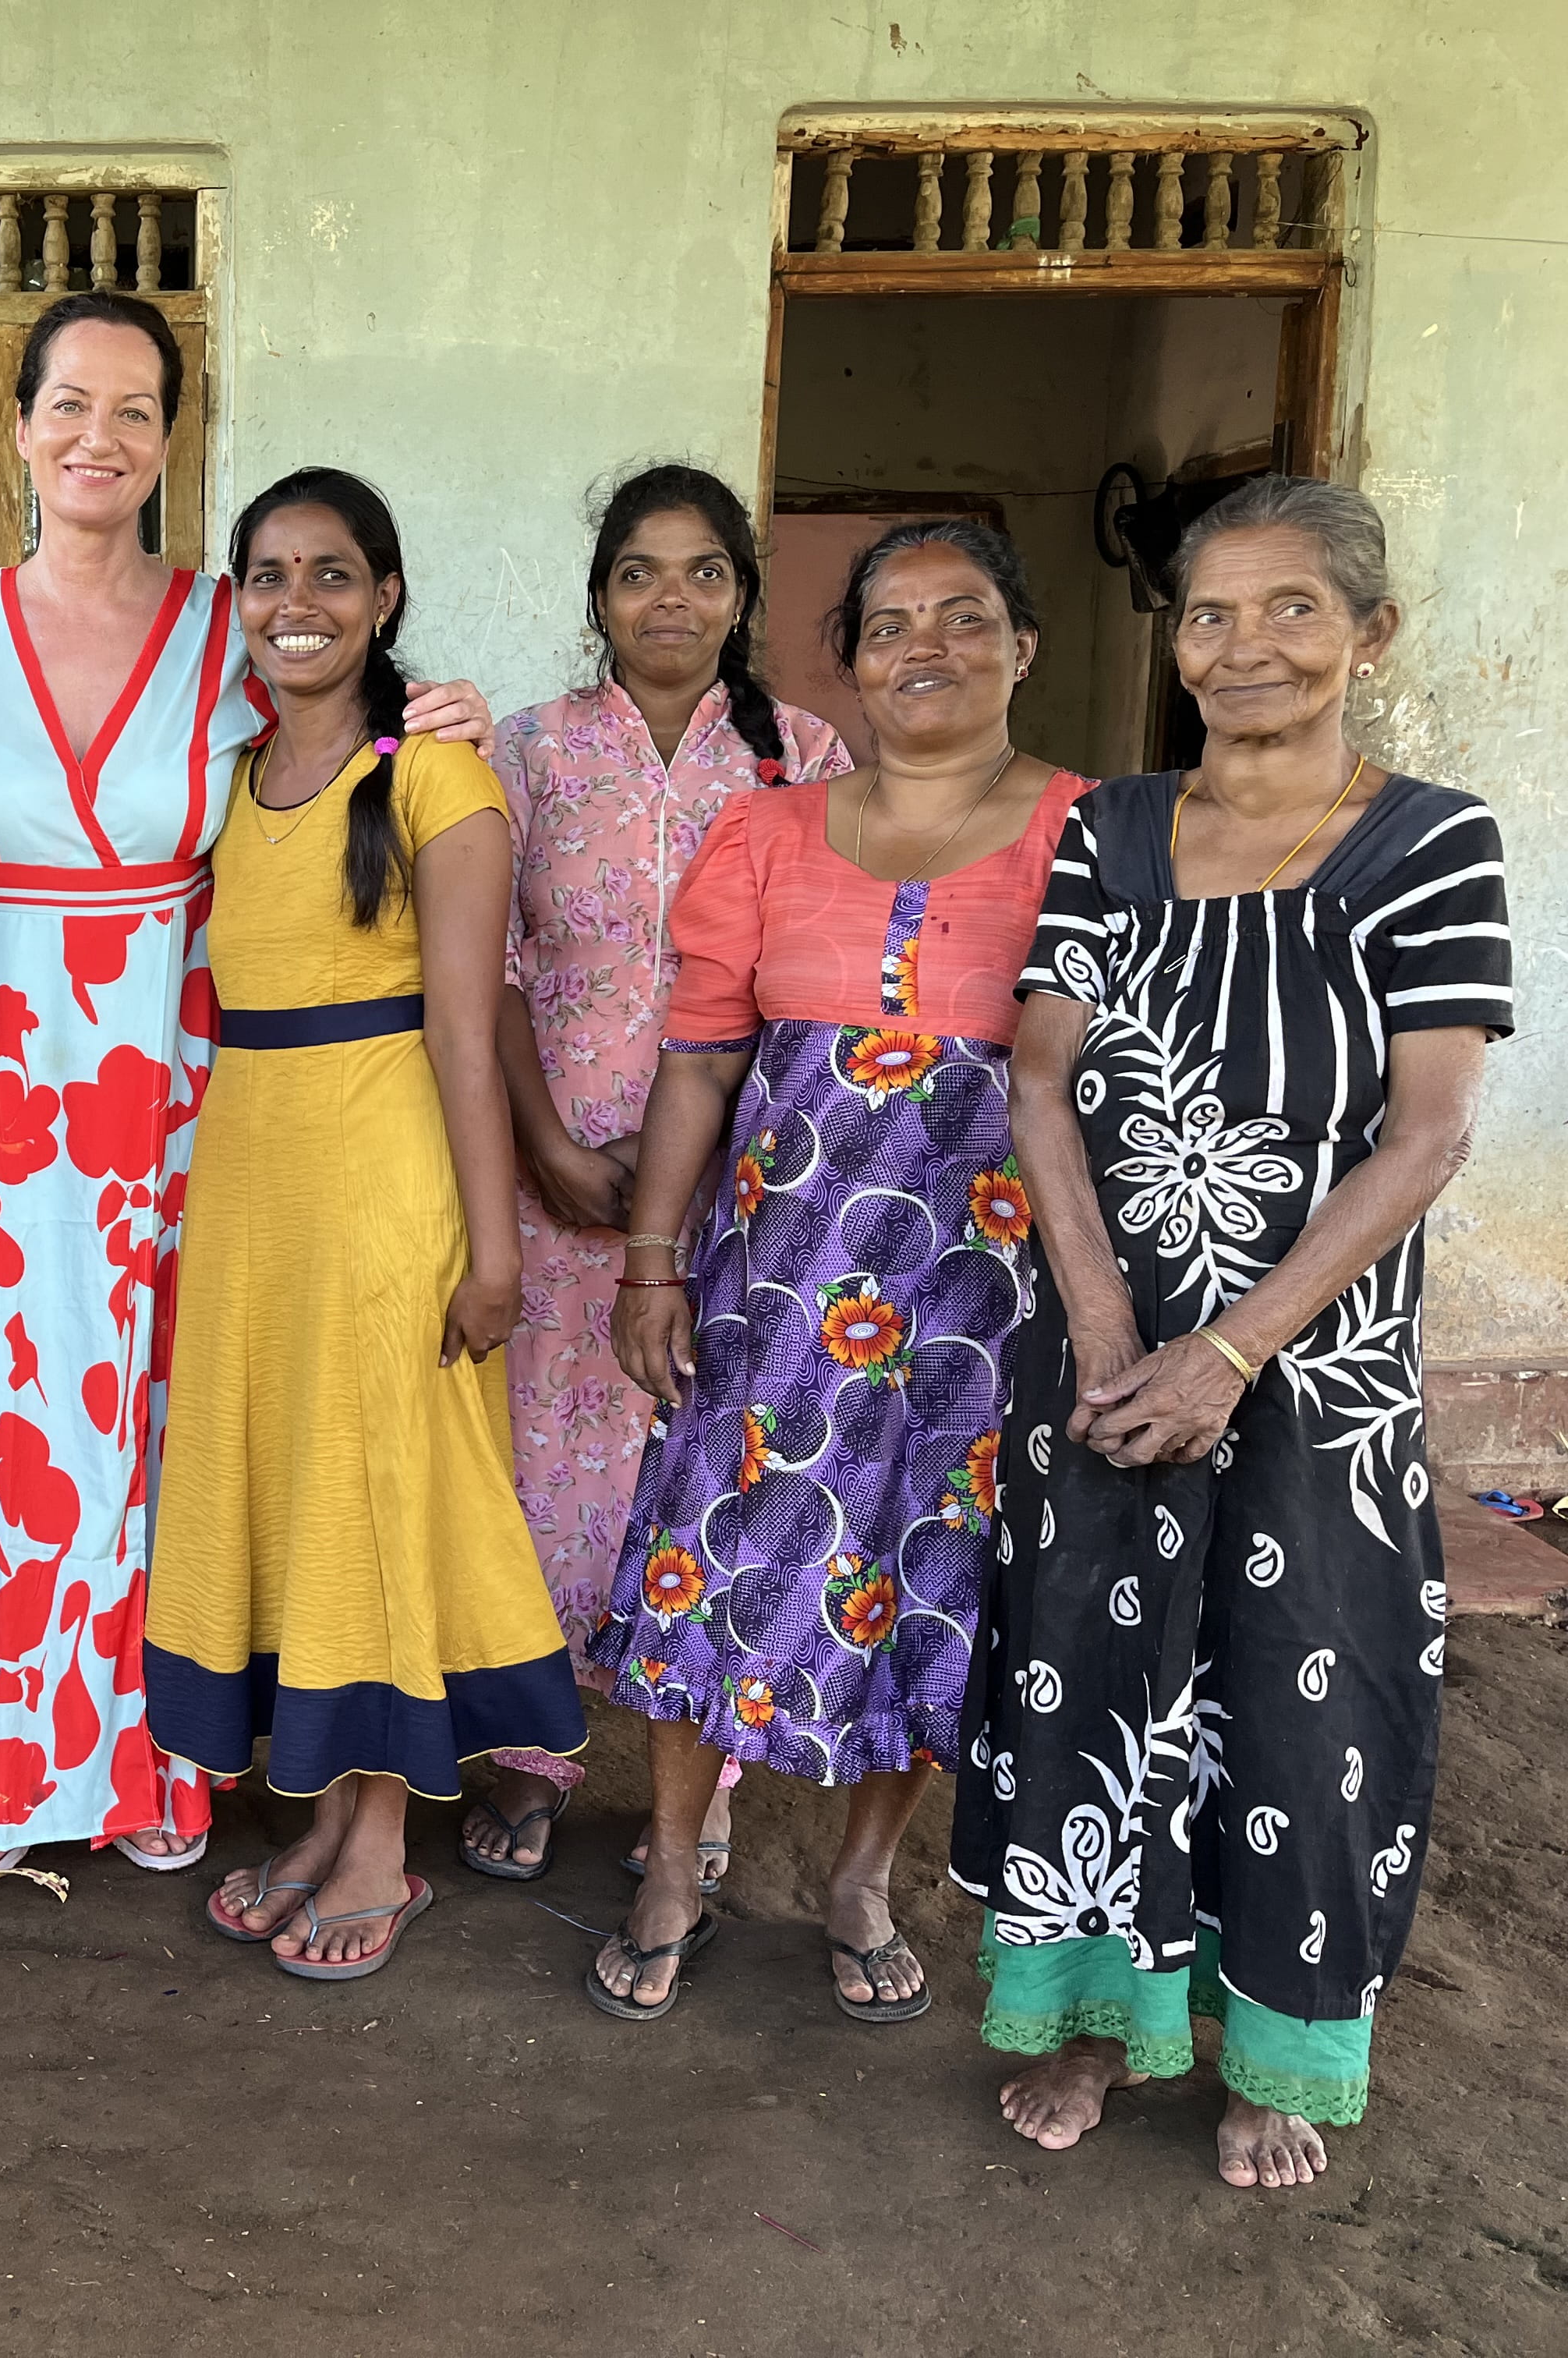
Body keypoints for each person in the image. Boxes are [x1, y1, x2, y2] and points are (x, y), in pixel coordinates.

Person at [954, 476, 1506, 2188]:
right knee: (1094, 1673)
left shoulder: (1429, 842)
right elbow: (1039, 1079)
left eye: (1290, 611)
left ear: (1368, 633)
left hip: (1306, 1372)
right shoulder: (1111, 830)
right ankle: (1106, 2029)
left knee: (1292, 1702)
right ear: (1172, 638)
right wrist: (1112, 1323)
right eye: (1211, 614)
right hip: (1106, 1363)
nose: (1245, 646)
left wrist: (1231, 1352)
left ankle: (1273, 2048)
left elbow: (1426, 1134)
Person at [0, 289, 494, 1878]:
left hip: (182, 1075)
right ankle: (18, 1771)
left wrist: (444, 713)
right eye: (71, 404)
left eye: (136, 409)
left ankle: (166, 1773)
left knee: (173, 1415)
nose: (101, 436)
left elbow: (344, 744)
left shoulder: (228, 634)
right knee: (8, 1418)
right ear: (20, 426)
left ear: (172, 440)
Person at [583, 518, 1088, 2024]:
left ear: (1022, 647)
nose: (922, 647)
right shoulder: (766, 834)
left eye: (962, 617)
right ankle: (676, 1858)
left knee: (930, 1573)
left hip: (983, 1294)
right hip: (774, 1280)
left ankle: (865, 1870)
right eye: (887, 624)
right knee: (718, 1548)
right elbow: (694, 1069)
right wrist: (649, 1263)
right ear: (847, 659)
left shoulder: (1096, 834)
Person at [147, 471, 586, 1978]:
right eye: (266, 575)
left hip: (387, 1183)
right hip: (259, 1184)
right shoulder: (232, 779)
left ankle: (384, 1844)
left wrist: (496, 1246)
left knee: (382, 1494)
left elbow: (466, 1035)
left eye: (331, 574)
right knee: (304, 1495)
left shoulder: (435, 781)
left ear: (384, 598)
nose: (295, 604)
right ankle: (329, 1817)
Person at [467, 462, 855, 1888]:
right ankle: (529, 1749)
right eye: (637, 570)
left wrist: (702, 1172)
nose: (669, 598)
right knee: (541, 1471)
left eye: (701, 570)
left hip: (740, 1185)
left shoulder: (803, 759)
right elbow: (490, 962)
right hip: (553, 1161)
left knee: (711, 1470)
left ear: (742, 593)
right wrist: (552, 1144)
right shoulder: (526, 750)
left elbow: (815, 977)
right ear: (598, 597)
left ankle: (704, 1780)